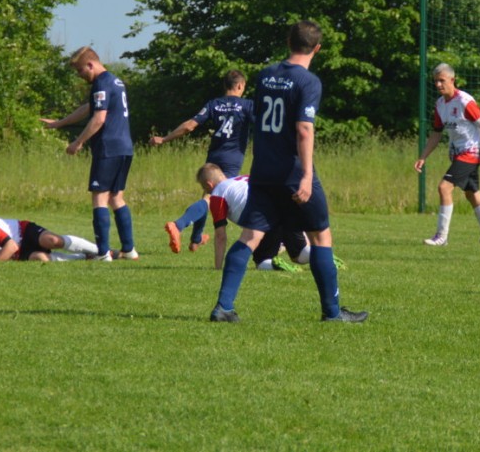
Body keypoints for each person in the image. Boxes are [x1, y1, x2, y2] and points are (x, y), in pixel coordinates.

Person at [209, 20, 369, 323]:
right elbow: (304, 129)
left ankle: (223, 307)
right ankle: (332, 313)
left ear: (288, 42)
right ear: (317, 48)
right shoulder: (308, 81)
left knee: (250, 236)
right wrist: (306, 175)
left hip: (262, 171)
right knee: (320, 236)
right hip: (293, 173)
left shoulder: (265, 75)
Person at [41, 46, 138, 262]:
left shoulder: (101, 82)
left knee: (99, 197)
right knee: (116, 197)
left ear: (90, 64)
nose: (79, 75)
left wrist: (78, 142)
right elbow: (88, 108)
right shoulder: (115, 81)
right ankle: (129, 250)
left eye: (80, 70)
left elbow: (98, 118)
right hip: (124, 147)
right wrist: (60, 123)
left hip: (108, 147)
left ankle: (102, 254)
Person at [150, 70, 255, 254]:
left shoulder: (214, 104)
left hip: (214, 156)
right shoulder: (247, 105)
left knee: (207, 195)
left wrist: (165, 139)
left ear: (225, 85)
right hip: (232, 159)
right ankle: (178, 225)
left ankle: (196, 239)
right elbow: (264, 126)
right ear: (240, 85)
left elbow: (190, 126)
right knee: (211, 198)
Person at [414, 63, 480, 247]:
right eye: (436, 81)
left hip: (470, 152)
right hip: (457, 154)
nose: (438, 85)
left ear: (452, 80)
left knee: (444, 188)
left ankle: (441, 237)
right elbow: (436, 133)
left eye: (442, 81)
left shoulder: (465, 101)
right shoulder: (440, 104)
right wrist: (423, 157)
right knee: (472, 194)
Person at [198, 162, 344, 274]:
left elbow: (220, 236)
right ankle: (326, 258)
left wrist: (218, 267)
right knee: (299, 254)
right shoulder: (242, 178)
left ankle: (273, 264)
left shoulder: (217, 194)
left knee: (262, 261)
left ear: (209, 185)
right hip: (285, 205)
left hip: (263, 217)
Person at [0, 218, 100, 262]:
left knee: (52, 241)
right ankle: (84, 257)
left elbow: (11, 246)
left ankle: (100, 250)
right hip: (18, 250)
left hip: (23, 232)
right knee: (41, 258)